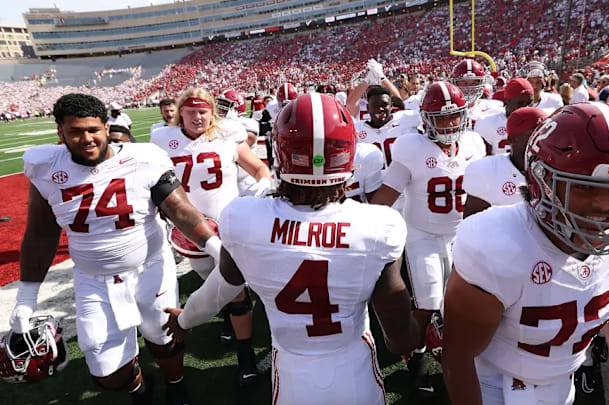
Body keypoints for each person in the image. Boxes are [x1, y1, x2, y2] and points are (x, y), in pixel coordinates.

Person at [162, 93, 419, 405]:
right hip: (354, 365)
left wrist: (185, 319)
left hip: (293, 368)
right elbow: (398, 336)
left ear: (280, 153)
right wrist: (414, 337)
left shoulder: (245, 218)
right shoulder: (380, 223)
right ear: (348, 156)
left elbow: (221, 288)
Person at [11, 93, 221, 405]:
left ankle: (176, 384)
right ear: (60, 133)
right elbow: (41, 234)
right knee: (106, 371)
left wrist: (215, 247)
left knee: (163, 337)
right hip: (93, 279)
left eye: (93, 130)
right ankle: (138, 387)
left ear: (106, 127)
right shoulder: (44, 167)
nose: (86, 139)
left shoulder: (144, 158)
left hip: (150, 267)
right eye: (75, 132)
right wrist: (27, 297)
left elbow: (179, 209)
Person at [444, 102, 609, 405]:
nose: (606, 206)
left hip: (561, 384)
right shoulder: (495, 244)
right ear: (542, 183)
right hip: (495, 384)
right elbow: (459, 355)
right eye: (585, 188)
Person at [151, 88, 272, 387]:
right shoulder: (162, 140)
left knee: (237, 289)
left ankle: (244, 355)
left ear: (212, 111)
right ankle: (232, 321)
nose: (197, 116)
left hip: (228, 226)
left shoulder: (227, 135)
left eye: (203, 110)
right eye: (191, 110)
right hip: (189, 233)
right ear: (180, 111)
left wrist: (263, 182)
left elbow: (258, 167)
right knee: (216, 287)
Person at [371, 81, 486, 396]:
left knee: (463, 303)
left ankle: (463, 358)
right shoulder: (411, 147)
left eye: (454, 116)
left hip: (462, 234)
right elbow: (385, 195)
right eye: (441, 117)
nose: (449, 124)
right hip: (423, 234)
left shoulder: (475, 143)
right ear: (425, 118)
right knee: (429, 301)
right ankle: (416, 363)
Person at [464, 107, 547, 218]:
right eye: (533, 135)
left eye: (545, 134)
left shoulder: (557, 168)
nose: (542, 141)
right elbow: (472, 227)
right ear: (512, 139)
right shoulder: (487, 172)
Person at [473, 78, 534, 155]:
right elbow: (483, 159)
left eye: (530, 103)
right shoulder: (488, 123)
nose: (526, 108)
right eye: (520, 104)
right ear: (506, 102)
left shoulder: (539, 121)